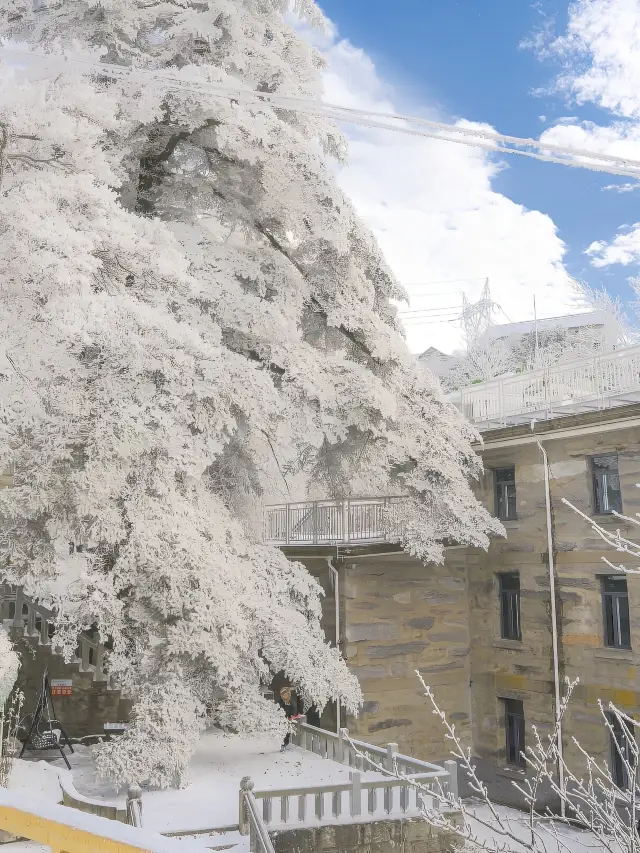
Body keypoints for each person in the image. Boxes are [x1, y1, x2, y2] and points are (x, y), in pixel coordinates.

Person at [278, 686, 298, 752]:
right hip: (281, 720)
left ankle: (286, 744)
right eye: (285, 695)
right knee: (281, 733)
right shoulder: (280, 702)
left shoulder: (291, 702)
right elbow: (278, 709)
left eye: (288, 695)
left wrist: (293, 715)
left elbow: (294, 710)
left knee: (287, 733)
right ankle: (281, 745)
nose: (286, 696)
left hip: (289, 720)